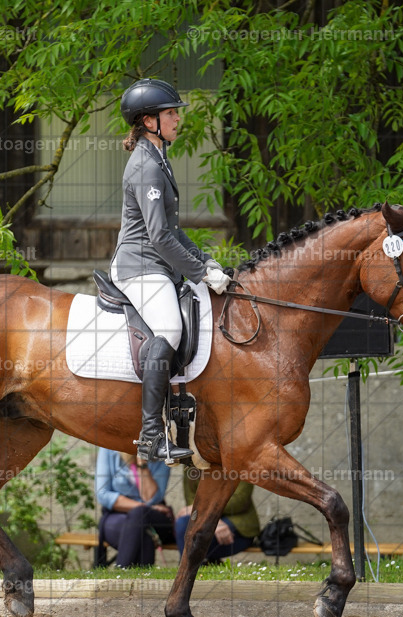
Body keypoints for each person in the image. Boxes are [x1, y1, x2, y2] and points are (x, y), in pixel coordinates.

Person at [112, 78, 232, 464]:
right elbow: (160, 237)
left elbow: (175, 230)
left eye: (175, 112)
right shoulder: (146, 166)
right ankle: (151, 436)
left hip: (159, 263)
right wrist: (200, 273)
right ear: (149, 121)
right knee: (170, 329)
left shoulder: (158, 158)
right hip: (141, 265)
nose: (178, 119)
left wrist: (206, 262)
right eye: (171, 113)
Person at [94, 446, 174, 568]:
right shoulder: (108, 448)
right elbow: (103, 494)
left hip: (154, 519)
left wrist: (142, 465)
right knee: (144, 537)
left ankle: (121, 575)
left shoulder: (163, 451)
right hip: (117, 516)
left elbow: (151, 498)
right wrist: (143, 507)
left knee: (139, 514)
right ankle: (141, 583)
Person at [174, 466, 260, 562]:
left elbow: (240, 501)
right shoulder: (192, 461)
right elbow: (191, 500)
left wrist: (208, 515)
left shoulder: (240, 459)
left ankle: (196, 568)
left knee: (197, 535)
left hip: (238, 524)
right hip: (205, 522)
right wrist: (211, 519)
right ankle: (190, 569)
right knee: (183, 523)